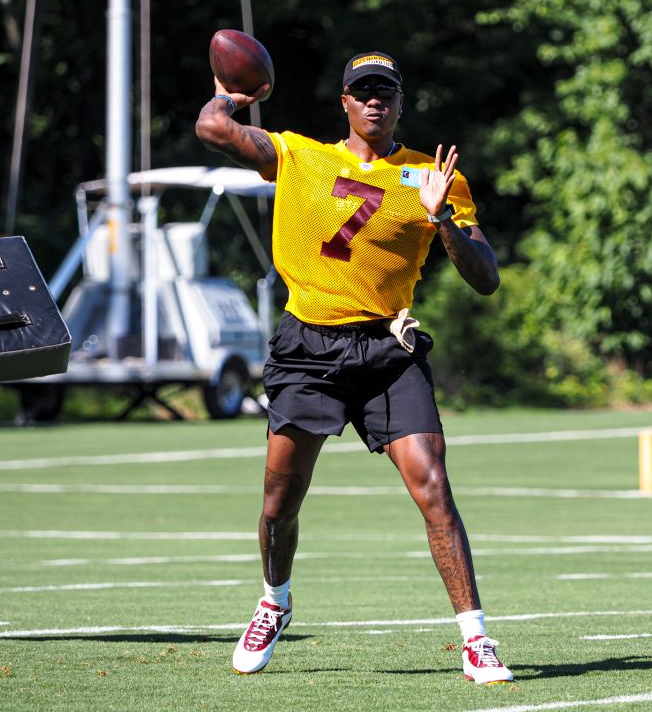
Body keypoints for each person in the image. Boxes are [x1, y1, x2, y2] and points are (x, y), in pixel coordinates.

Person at [195, 51, 513, 684]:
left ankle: (476, 640)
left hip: (386, 351)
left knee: (435, 492)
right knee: (279, 503)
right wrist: (233, 93)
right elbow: (212, 130)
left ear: (400, 102)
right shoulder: (299, 156)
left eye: (386, 92)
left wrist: (441, 214)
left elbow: (485, 279)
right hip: (307, 348)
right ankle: (274, 600)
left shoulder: (433, 175)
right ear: (343, 100)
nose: (375, 101)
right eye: (363, 91)